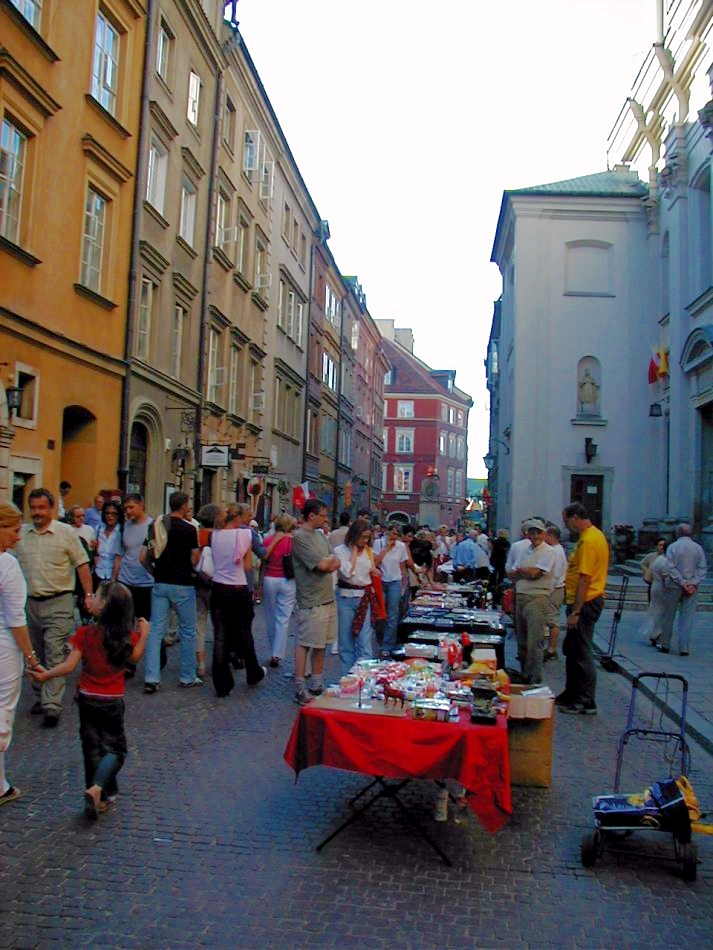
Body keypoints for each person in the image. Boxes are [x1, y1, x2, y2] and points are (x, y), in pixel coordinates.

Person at [30, 581, 149, 819]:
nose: (90, 598)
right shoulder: (125, 636)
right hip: (112, 700)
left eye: (95, 595)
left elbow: (68, 666)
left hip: (86, 698)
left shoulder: (85, 634)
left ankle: (97, 795)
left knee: (91, 748)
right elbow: (135, 657)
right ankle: (98, 788)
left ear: (103, 605)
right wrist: (145, 634)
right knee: (116, 750)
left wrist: (46, 675)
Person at [15, 487, 94, 728]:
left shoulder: (65, 532)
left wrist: (88, 595)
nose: (37, 512)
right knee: (34, 653)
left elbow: (82, 565)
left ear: (51, 509)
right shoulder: (22, 534)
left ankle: (52, 704)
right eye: (33, 508)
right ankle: (40, 695)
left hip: (59, 600)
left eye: (42, 508)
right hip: (30, 602)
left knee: (55, 651)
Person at [0, 502, 41, 806]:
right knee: (3, 710)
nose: (18, 536)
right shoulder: (7, 565)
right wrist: (31, 656)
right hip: (4, 646)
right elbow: (16, 618)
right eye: (14, 530)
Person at [141, 491, 201, 693]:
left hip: (160, 582)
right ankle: (187, 676)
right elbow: (194, 558)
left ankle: (151, 677)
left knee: (156, 631)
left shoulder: (156, 526)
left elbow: (143, 557)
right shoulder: (190, 529)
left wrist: (155, 571)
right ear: (183, 506)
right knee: (188, 631)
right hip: (183, 583)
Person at [209, 503, 266, 697]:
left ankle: (222, 683)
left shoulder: (215, 534)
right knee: (244, 633)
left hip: (218, 588)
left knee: (220, 635)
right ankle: (253, 671)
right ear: (239, 518)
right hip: (238, 588)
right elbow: (248, 566)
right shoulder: (244, 535)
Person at [557, 503, 609, 716]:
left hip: (586, 602)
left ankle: (586, 700)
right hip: (583, 601)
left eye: (566, 521)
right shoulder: (592, 536)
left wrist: (576, 611)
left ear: (576, 517)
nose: (566, 526)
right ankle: (571, 692)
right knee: (572, 649)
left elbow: (585, 578)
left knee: (581, 651)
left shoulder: (588, 541)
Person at [292, 499, 340, 706]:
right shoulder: (300, 537)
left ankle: (317, 682)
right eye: (323, 515)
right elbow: (322, 565)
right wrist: (327, 562)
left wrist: (328, 562)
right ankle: (300, 686)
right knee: (305, 642)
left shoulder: (320, 535)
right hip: (311, 600)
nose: (326, 519)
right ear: (311, 516)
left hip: (327, 597)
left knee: (321, 644)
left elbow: (335, 560)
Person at [508, 518, 556, 684]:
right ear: (527, 534)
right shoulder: (525, 550)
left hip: (537, 598)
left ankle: (534, 678)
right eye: (532, 532)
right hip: (521, 596)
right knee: (522, 640)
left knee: (534, 641)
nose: (535, 536)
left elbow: (535, 573)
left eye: (538, 532)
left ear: (544, 533)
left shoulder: (549, 551)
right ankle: (524, 675)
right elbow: (511, 573)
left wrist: (521, 571)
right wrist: (524, 572)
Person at [113, 493, 156, 677]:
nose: (128, 511)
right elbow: (119, 555)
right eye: (126, 508)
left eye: (131, 507)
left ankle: (153, 657)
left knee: (145, 623)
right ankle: (128, 662)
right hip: (125, 581)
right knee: (124, 624)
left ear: (141, 505)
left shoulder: (153, 526)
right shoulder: (124, 527)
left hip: (146, 582)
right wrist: (113, 580)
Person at [334, 518, 377, 675]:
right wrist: (353, 553)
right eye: (362, 537)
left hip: (364, 597)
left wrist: (374, 571)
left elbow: (369, 569)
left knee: (365, 641)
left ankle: (364, 676)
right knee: (346, 642)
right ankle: (347, 676)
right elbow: (347, 572)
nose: (365, 541)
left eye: (367, 537)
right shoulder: (339, 551)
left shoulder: (368, 551)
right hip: (345, 597)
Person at [659, 524, 708, 656]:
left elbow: (670, 566)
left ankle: (665, 644)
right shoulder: (698, 548)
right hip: (692, 586)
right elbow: (702, 567)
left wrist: (682, 582)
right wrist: (693, 582)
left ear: (678, 533)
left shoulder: (673, 547)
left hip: (674, 585)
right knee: (687, 617)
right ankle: (684, 647)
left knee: (668, 615)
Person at [260, 513, 297, 668]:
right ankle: (277, 653)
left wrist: (259, 583)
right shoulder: (293, 542)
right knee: (283, 618)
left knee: (270, 616)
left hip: (270, 578)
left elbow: (263, 562)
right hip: (288, 580)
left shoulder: (268, 540)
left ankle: (273, 648)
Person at [373, 523, 410, 657]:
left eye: (397, 535)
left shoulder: (401, 546)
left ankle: (387, 645)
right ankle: (380, 639)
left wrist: (404, 585)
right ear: (388, 532)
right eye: (393, 534)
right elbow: (375, 562)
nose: (395, 537)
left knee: (393, 614)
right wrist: (386, 549)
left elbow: (402, 566)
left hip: (395, 581)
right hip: (381, 581)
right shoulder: (378, 543)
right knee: (380, 614)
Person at [544, 524, 568, 662]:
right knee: (550, 618)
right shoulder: (555, 550)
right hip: (554, 588)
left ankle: (551, 649)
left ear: (551, 536)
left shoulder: (556, 552)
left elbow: (555, 573)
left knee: (553, 619)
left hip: (555, 589)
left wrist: (548, 590)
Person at [644, 541, 671, 649]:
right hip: (661, 587)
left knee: (655, 610)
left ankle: (654, 632)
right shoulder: (664, 561)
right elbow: (665, 576)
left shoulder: (658, 559)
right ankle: (657, 634)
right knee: (661, 611)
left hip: (655, 585)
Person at [94, 499, 123, 587]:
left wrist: (113, 579)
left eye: (113, 513)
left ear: (118, 515)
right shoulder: (98, 529)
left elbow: (119, 557)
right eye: (107, 513)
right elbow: (94, 549)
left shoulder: (121, 530)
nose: (110, 516)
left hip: (116, 574)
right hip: (99, 573)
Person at [641, 538, 666, 604]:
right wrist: (647, 571)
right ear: (656, 546)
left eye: (664, 545)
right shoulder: (651, 556)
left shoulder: (668, 557)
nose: (662, 547)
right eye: (660, 545)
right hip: (653, 582)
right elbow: (642, 563)